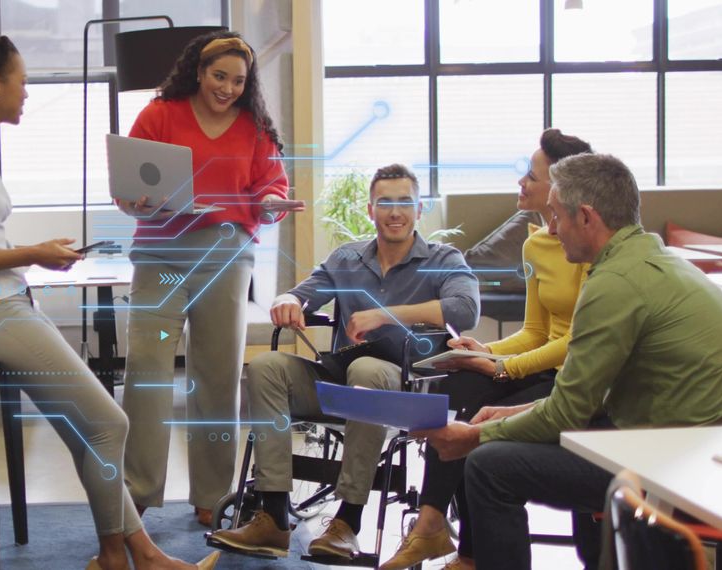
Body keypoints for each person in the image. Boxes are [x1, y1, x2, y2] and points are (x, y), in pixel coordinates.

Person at [0, 23, 218, 570]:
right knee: (111, 422)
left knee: (89, 431)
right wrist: (33, 251)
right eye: (22, 81)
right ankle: (122, 555)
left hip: (6, 307)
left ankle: (130, 554)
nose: (27, 91)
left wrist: (33, 253)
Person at [416, 153, 722, 570]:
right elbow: (593, 393)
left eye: (557, 216)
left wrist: (475, 436)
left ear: (586, 217)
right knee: (502, 437)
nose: (552, 228)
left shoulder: (614, 284)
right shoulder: (656, 260)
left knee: (488, 465)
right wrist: (510, 412)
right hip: (683, 441)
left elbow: (568, 412)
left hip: (674, 460)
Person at [208, 164, 480, 559]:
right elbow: (302, 294)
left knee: (366, 370)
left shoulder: (443, 258)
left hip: (400, 391)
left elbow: (466, 308)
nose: (395, 212)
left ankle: (348, 522)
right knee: (267, 367)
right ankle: (273, 517)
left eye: (405, 202)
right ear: (371, 210)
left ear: (419, 209)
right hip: (341, 383)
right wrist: (288, 301)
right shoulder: (348, 257)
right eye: (385, 203)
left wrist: (385, 314)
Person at [380, 129, 593, 570]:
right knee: (455, 385)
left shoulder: (586, 243)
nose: (521, 183)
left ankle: (461, 546)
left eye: (530, 176)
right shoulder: (535, 242)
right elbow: (536, 330)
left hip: (576, 372)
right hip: (541, 364)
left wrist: (503, 368)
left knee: (475, 416)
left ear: (560, 188)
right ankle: (436, 525)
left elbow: (574, 341)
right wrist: (487, 350)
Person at [116, 30, 304, 526]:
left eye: (238, 80)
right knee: (147, 374)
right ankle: (138, 489)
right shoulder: (160, 114)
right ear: (198, 72)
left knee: (217, 378)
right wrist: (135, 199)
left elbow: (270, 190)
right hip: (161, 255)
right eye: (219, 76)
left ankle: (213, 495)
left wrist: (270, 205)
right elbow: (129, 184)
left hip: (226, 255)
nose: (227, 88)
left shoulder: (255, 127)